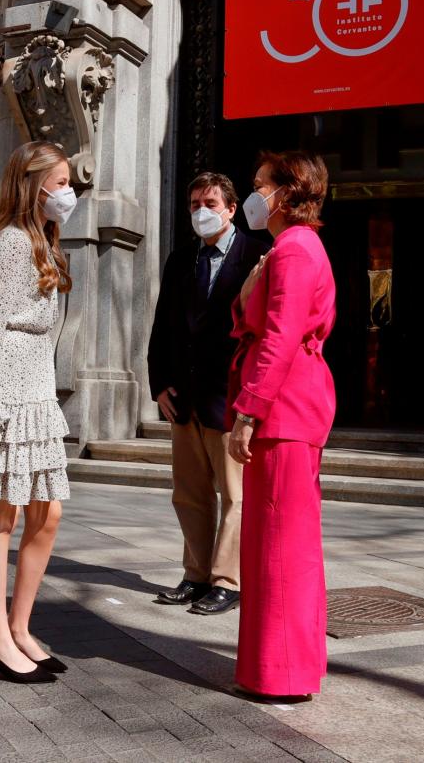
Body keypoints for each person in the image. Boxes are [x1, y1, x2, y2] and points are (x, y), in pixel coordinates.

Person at [0, 140, 74, 685]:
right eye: (63, 183)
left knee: (46, 514)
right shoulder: (8, 243)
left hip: (38, 394)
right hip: (6, 399)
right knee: (1, 514)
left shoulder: (45, 243)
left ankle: (22, 627)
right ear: (33, 185)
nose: (69, 193)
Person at [227, 150, 336, 705]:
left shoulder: (294, 249)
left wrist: (249, 410)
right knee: (285, 541)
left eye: (259, 184)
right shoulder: (291, 248)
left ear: (286, 191)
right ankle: (288, 665)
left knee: (279, 544)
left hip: (284, 409)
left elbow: (279, 336)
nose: (254, 194)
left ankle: (281, 673)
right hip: (291, 406)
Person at [148, 172, 268, 615]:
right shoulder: (180, 259)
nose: (202, 210)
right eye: (195, 202)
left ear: (232, 208)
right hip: (183, 399)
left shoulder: (258, 254)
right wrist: (158, 384)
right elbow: (162, 327)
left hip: (229, 397)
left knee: (235, 495)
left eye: (211, 202)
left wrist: (252, 399)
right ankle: (196, 575)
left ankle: (227, 580)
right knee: (189, 494)